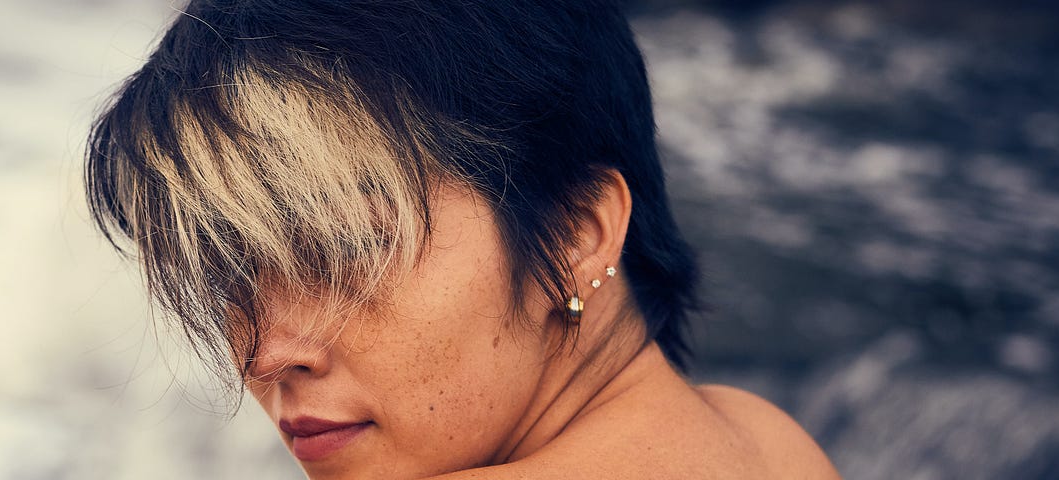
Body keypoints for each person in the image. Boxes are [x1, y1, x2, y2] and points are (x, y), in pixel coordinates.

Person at [84, 0, 840, 478]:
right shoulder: (763, 438)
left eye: (348, 249)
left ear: (578, 233)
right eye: (229, 267)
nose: (267, 353)